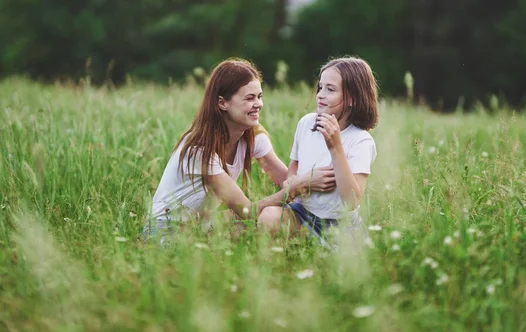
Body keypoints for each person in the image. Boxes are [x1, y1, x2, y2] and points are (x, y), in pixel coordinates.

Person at [147, 58, 335, 239]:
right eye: (249, 98)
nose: (258, 104)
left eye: (259, 96)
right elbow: (247, 211)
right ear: (222, 103)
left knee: (260, 228)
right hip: (166, 232)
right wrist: (298, 186)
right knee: (250, 224)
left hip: (202, 227)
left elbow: (284, 179)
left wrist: (317, 186)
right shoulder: (199, 150)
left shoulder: (253, 137)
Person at [257, 57, 379, 241]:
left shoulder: (360, 140)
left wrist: (335, 146)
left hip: (338, 224)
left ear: (352, 98)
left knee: (346, 263)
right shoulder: (307, 123)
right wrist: (294, 183)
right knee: (268, 216)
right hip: (302, 213)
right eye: (320, 87)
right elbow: (295, 165)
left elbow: (352, 201)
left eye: (330, 89)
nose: (320, 94)